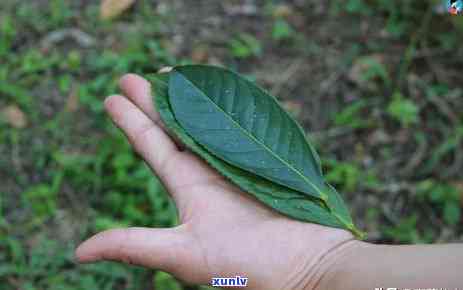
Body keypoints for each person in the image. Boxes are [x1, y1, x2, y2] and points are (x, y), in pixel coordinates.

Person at [75, 73, 463, 290]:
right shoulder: (243, 276)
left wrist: (319, 273)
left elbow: (234, 280)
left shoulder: (240, 276)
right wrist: (324, 271)